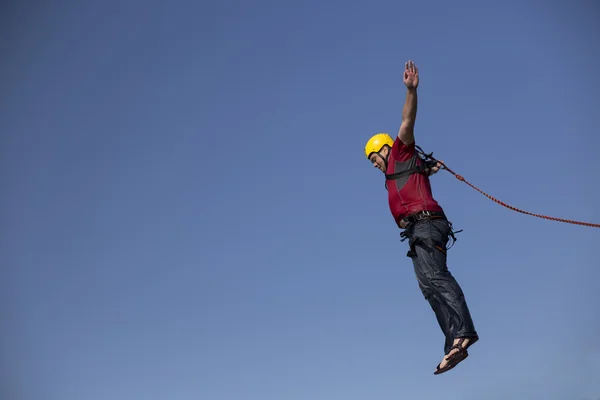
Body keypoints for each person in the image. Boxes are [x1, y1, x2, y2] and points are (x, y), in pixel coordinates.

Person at [364, 60, 479, 375]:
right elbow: (417, 177)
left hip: (428, 224)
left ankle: (464, 333)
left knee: (437, 278)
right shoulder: (397, 171)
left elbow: (406, 120)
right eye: (371, 161)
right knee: (428, 287)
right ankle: (453, 343)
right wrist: (428, 170)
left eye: (376, 156)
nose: (374, 163)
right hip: (416, 231)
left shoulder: (401, 151)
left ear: (387, 149)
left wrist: (411, 91)